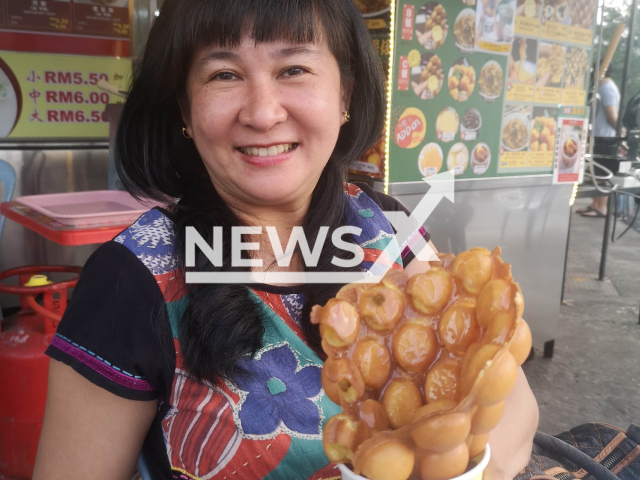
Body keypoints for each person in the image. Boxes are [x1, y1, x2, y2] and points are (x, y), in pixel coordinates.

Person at [33, 1, 539, 479]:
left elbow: (511, 400)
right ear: (184, 111)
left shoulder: (388, 225)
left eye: (293, 69)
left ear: (344, 95)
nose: (262, 112)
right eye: (224, 74)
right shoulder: (131, 279)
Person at [577, 67, 621, 218]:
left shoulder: (607, 89)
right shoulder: (602, 88)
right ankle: (595, 204)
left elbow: (612, 116)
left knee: (603, 174)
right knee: (596, 173)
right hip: (599, 137)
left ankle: (601, 207)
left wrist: (622, 133)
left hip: (606, 138)